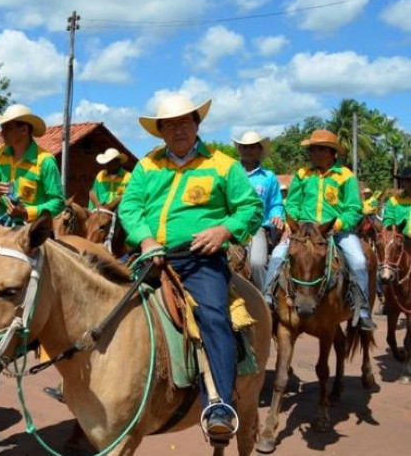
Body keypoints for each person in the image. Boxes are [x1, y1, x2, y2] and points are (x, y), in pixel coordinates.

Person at [118, 94, 263, 441]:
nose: (178, 129)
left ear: (197, 125)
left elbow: (250, 208)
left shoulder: (223, 165)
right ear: (161, 131)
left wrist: (225, 229)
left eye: (185, 122)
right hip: (148, 256)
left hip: (199, 259)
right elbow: (130, 207)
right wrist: (145, 239)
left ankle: (219, 404)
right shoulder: (147, 165)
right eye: (169, 124)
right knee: (101, 296)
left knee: (214, 317)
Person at [261, 129, 376, 331]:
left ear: (328, 151)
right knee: (278, 255)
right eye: (311, 149)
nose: (310, 153)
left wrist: (338, 224)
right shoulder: (302, 174)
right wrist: (291, 225)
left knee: (358, 261)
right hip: (304, 232)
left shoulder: (346, 176)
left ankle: (363, 310)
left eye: (314, 149)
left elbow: (353, 208)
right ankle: (268, 298)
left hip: (336, 230)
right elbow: (293, 204)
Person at [0, 104, 65, 226]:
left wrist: (26, 212)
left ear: (24, 130)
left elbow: (58, 202)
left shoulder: (45, 161)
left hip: (33, 229)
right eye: (2, 128)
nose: (2, 133)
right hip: (2, 224)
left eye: (8, 128)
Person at [232, 131, 285, 290]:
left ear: (259, 150)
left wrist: (277, 215)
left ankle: (265, 298)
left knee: (257, 262)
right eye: (245, 147)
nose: (248, 150)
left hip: (256, 228)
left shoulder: (269, 176)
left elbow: (276, 203)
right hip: (229, 224)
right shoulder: (230, 170)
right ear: (240, 149)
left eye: (253, 147)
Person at [383, 168, 411, 235]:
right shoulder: (393, 201)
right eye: (408, 180)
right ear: (402, 182)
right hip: (402, 242)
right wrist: (391, 227)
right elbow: (388, 221)